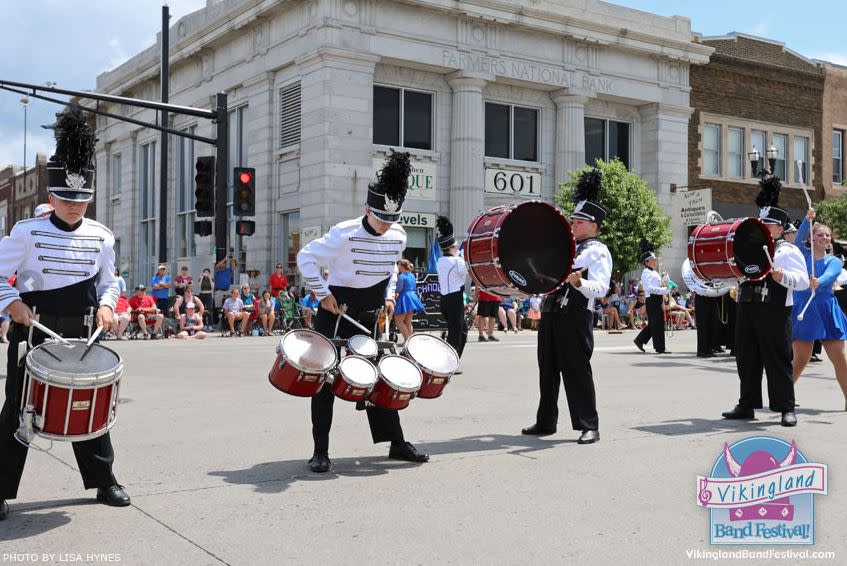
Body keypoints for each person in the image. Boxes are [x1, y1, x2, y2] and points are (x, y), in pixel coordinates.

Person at [0, 107, 129, 521]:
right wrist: (11, 303)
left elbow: (111, 281)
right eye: (66, 198)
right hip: (34, 331)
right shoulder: (26, 232)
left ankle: (104, 481)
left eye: (81, 199)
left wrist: (109, 305)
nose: (74, 206)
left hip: (84, 332)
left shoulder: (102, 236)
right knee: (18, 411)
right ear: (51, 196)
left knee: (90, 407)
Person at [296, 150, 428, 473]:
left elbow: (393, 269)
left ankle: (396, 443)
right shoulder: (344, 233)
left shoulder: (397, 235)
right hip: (336, 312)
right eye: (381, 217)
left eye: (391, 219)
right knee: (325, 381)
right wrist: (322, 292)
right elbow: (305, 258)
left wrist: (390, 294)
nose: (386, 225)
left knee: (381, 379)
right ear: (368, 209)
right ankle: (320, 450)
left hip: (368, 316)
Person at [522, 167, 610, 444]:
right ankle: (545, 421)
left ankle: (589, 425)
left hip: (575, 315)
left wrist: (578, 284)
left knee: (576, 371)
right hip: (551, 311)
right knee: (547, 370)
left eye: (579, 222)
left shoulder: (598, 251)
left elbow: (601, 289)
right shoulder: (567, 248)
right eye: (573, 220)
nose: (573, 225)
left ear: (594, 225)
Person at [722, 175, 808, 427]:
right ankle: (746, 404)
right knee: (746, 358)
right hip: (747, 307)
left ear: (780, 228)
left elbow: (802, 280)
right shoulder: (750, 248)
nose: (763, 227)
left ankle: (785, 408)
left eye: (768, 224)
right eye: (762, 223)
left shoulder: (786, 251)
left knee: (777, 359)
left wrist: (784, 276)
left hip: (774, 310)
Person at [790, 208, 847, 409]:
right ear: (812, 238)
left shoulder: (834, 260)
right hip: (805, 308)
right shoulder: (801, 255)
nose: (825, 237)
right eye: (820, 234)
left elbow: (832, 274)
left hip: (826, 308)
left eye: (827, 235)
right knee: (801, 360)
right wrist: (807, 219)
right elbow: (797, 239)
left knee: (840, 358)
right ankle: (784, 396)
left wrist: (818, 281)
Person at [682, 258, 729, 357]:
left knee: (714, 322)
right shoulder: (693, 265)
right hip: (701, 295)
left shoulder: (708, 264)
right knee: (703, 325)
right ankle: (702, 350)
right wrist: (695, 290)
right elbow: (687, 276)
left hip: (712, 294)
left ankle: (710, 348)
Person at [436, 216, 469, 358]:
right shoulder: (457, 261)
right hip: (455, 299)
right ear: (451, 247)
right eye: (455, 246)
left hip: (444, 299)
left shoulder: (440, 261)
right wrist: (463, 257)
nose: (457, 248)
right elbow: (467, 271)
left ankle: (454, 359)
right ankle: (450, 361)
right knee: (456, 334)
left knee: (461, 330)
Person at [633, 238, 671, 353]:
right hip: (652, 299)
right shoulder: (646, 273)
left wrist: (665, 282)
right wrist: (664, 290)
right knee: (657, 324)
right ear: (646, 262)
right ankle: (660, 348)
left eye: (655, 259)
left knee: (655, 323)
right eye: (652, 260)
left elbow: (658, 285)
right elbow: (649, 288)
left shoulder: (653, 272)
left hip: (657, 299)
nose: (655, 261)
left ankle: (639, 340)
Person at [394, 259, 424, 341]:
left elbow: (399, 289)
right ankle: (411, 341)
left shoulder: (401, 276)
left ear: (401, 266)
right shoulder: (412, 275)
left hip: (405, 298)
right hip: (413, 297)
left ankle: (407, 340)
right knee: (408, 321)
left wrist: (394, 290)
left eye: (398, 265)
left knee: (399, 321)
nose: (397, 267)